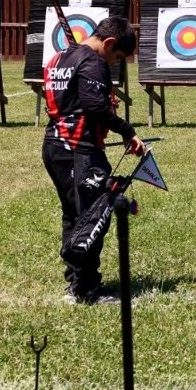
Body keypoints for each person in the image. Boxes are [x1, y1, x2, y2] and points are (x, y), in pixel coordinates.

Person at [42, 16, 145, 305]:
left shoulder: (59, 57)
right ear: (109, 43)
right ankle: (87, 288)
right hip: (80, 150)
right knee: (93, 217)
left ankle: (75, 282)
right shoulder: (94, 62)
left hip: (54, 147)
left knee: (73, 215)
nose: (114, 63)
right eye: (117, 57)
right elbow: (94, 105)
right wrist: (127, 131)